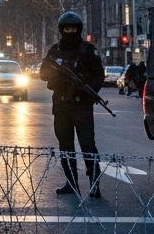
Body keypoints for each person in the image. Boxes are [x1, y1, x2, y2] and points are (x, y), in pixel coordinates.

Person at [39, 11, 105, 198]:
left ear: (78, 29)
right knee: (65, 145)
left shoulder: (88, 50)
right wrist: (58, 76)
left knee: (87, 145)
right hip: (61, 105)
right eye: (67, 28)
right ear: (62, 30)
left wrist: (87, 92)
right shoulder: (55, 51)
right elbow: (43, 73)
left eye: (73, 29)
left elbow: (98, 76)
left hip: (82, 105)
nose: (70, 31)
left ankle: (94, 183)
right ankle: (71, 182)